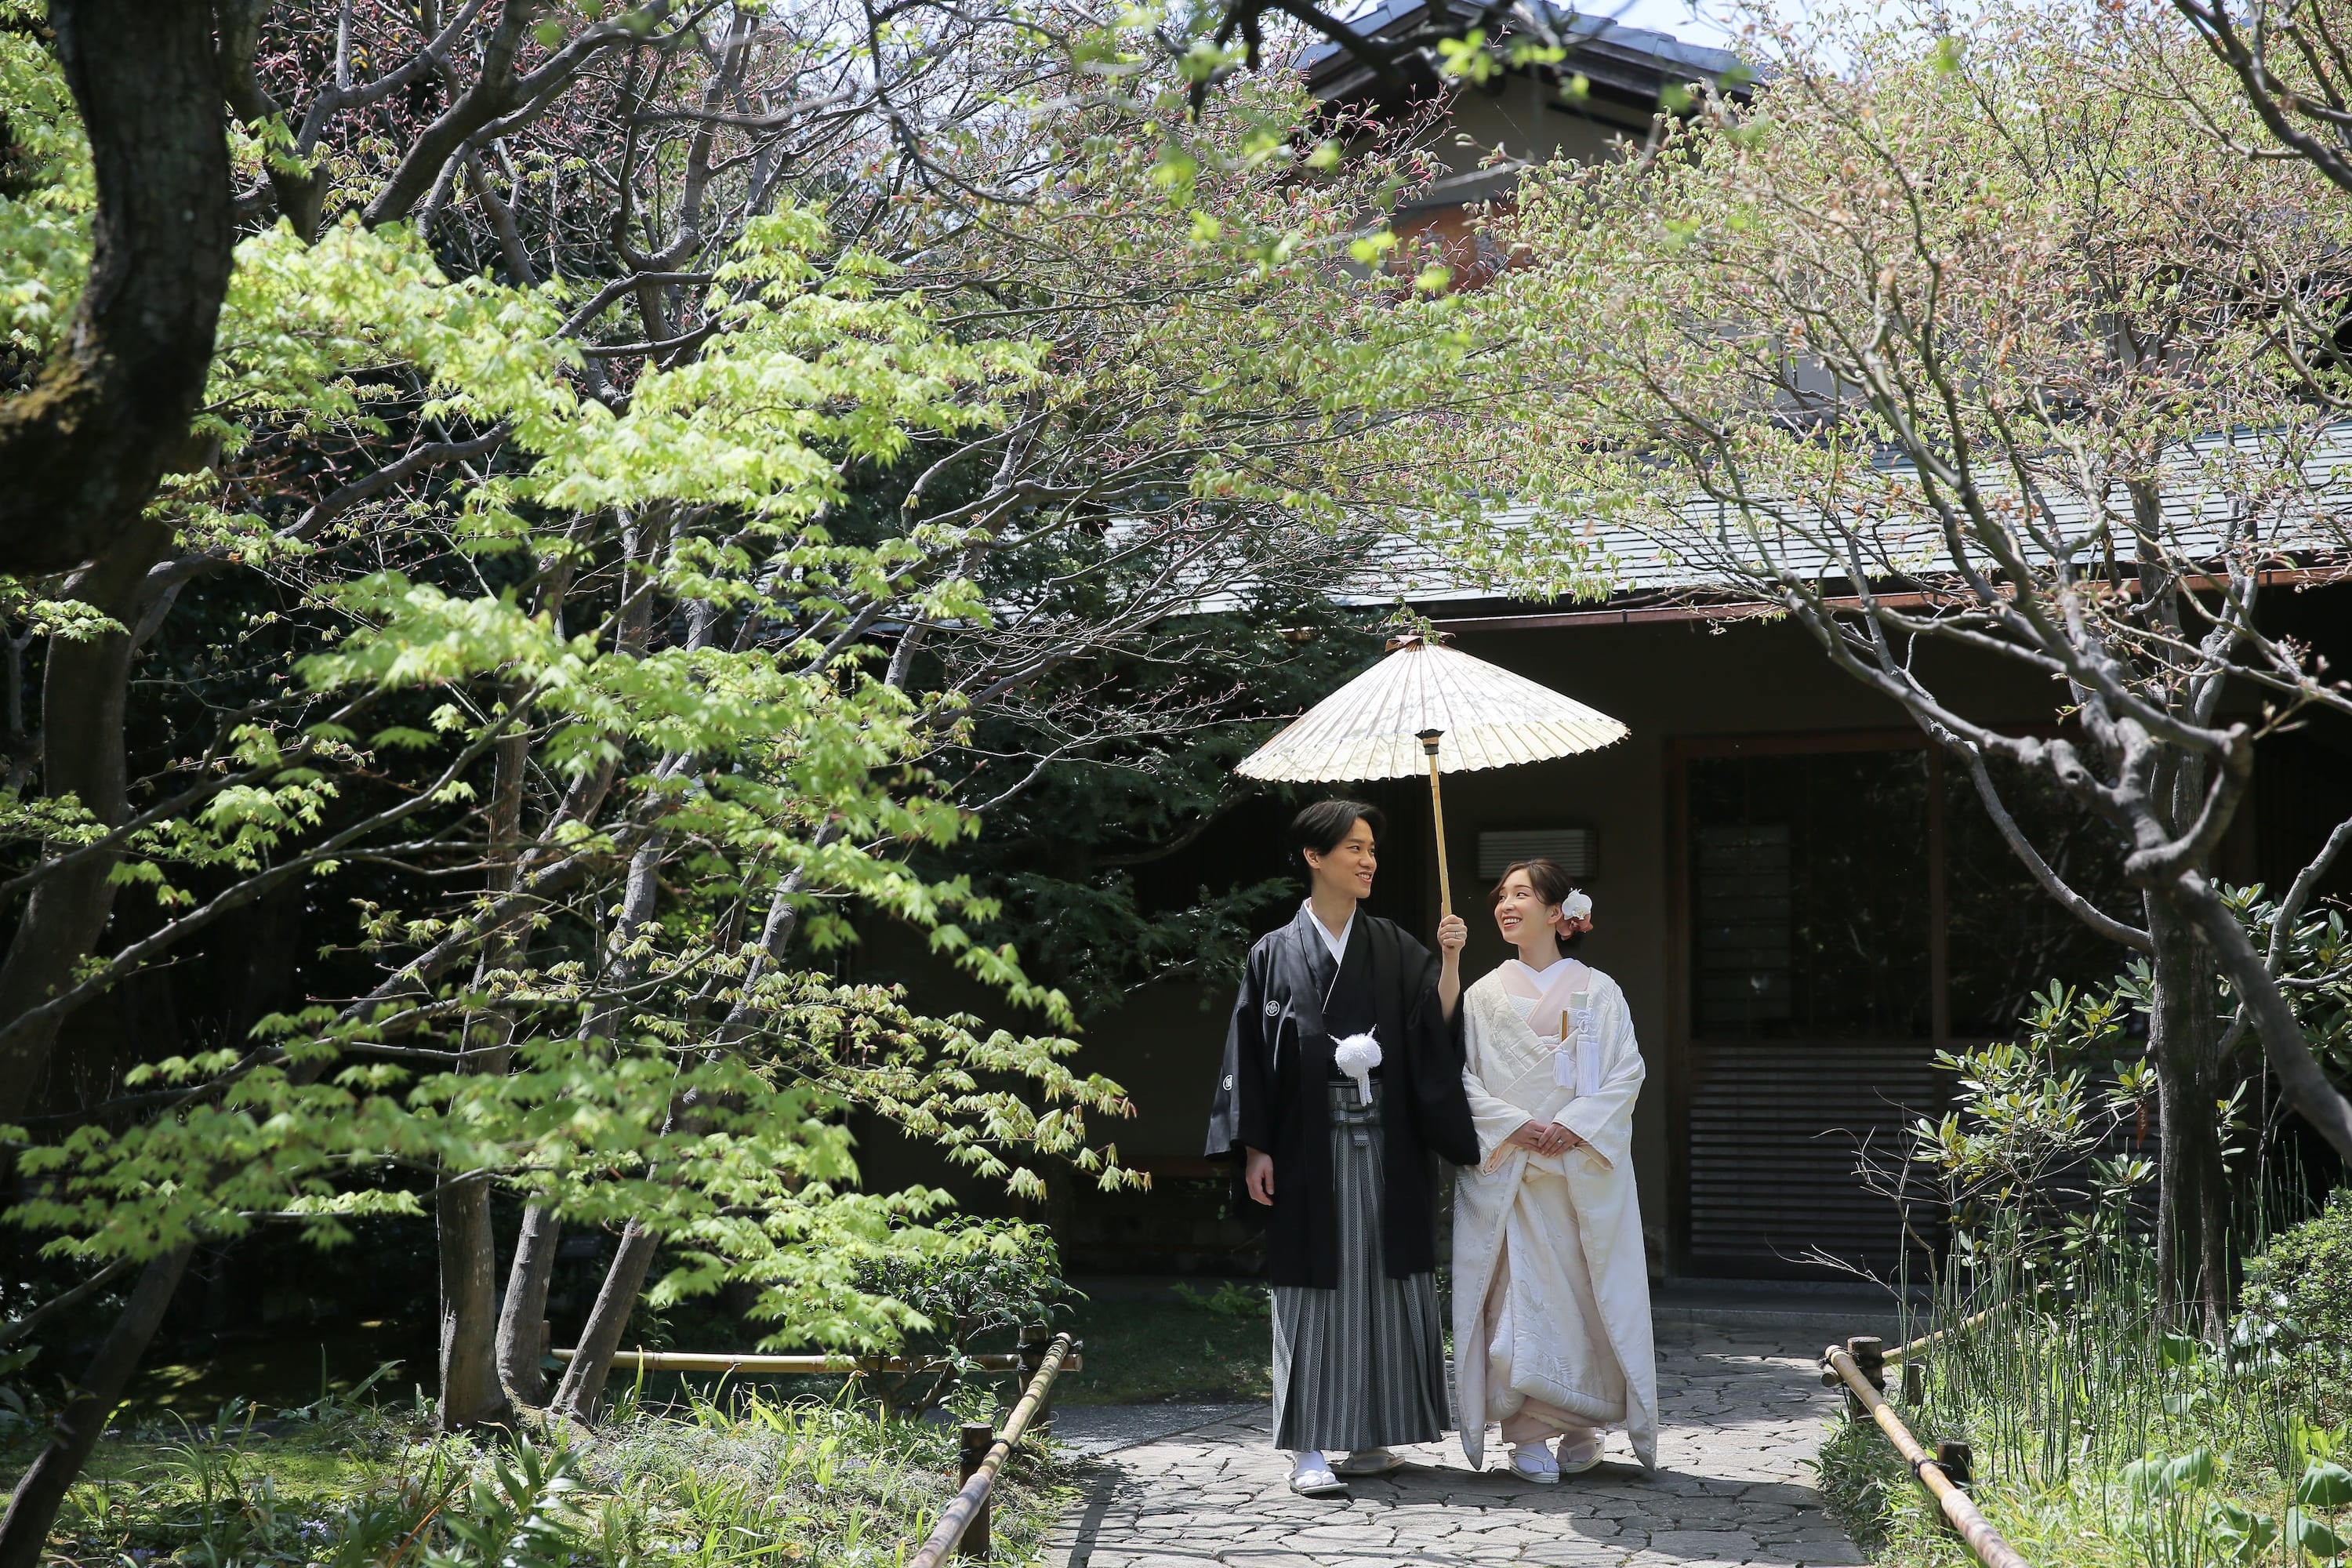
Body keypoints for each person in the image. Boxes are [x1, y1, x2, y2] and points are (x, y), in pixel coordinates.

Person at [1205, 800, 1479, 1497]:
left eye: (1372, 849)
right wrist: (1255, 1147)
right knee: (1310, 1288)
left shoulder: (1393, 943)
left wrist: (1450, 961)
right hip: (1306, 1144)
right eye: (1354, 848)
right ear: (1314, 857)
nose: (1368, 861)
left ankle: (1371, 1436)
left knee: (1384, 1281)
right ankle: (1307, 1447)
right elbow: (1249, 1052)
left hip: (1387, 1140)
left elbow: (1436, 1027)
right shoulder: (1273, 951)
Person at [1452, 858, 1657, 1483]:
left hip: (1575, 1174)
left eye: (1521, 894)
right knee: (1518, 1303)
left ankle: (1581, 1424)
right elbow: (1463, 1078)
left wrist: (1577, 1124)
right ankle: (1526, 1433)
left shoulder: (1601, 990)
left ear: (1556, 912)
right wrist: (1514, 1124)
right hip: (1515, 1175)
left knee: (1586, 1299)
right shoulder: (1481, 995)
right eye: (1501, 895)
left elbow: (1626, 1072)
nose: (1505, 905)